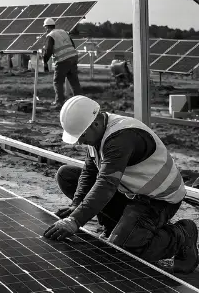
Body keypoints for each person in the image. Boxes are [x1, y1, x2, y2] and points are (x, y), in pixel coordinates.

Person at [43, 96, 198, 274]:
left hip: (158, 199)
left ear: (95, 124)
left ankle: (182, 236)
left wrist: (75, 220)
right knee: (67, 176)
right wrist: (76, 205)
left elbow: (106, 184)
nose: (79, 142)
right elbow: (90, 171)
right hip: (130, 192)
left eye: (82, 136)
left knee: (122, 251)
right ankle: (115, 226)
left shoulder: (121, 138)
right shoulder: (97, 132)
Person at [43, 17, 81, 107]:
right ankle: (80, 101)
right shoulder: (63, 32)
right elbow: (72, 44)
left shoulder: (51, 35)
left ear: (47, 27)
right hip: (73, 57)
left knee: (58, 81)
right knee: (74, 81)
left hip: (63, 60)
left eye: (45, 28)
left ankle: (59, 102)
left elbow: (48, 50)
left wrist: (44, 61)